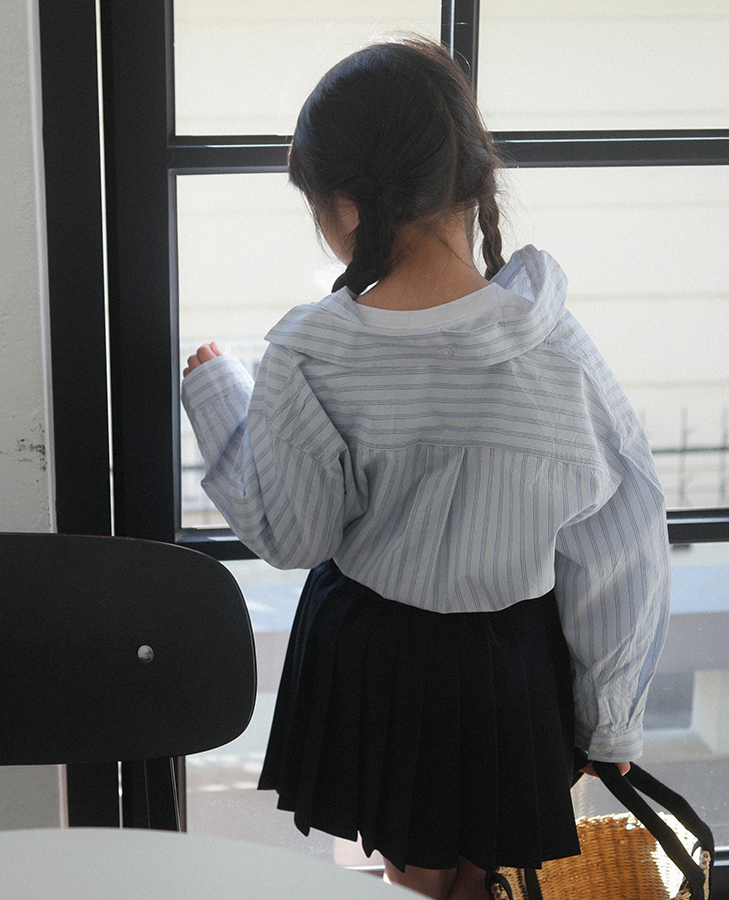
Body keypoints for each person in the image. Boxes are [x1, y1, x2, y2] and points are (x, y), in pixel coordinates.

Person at [181, 36, 669, 900]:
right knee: (488, 873)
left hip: (381, 657)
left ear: (344, 206)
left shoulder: (313, 349)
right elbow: (620, 545)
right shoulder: (557, 347)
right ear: (471, 180)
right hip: (508, 663)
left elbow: (293, 534)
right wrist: (612, 716)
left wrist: (221, 398)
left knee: (412, 876)